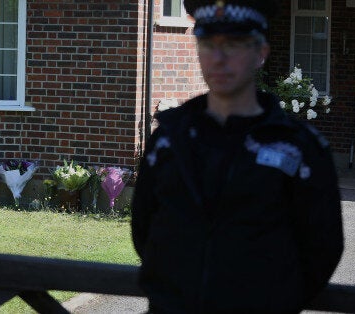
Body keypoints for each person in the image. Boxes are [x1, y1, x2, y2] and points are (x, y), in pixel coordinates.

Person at [131, 0, 344, 313]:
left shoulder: (299, 149)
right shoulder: (169, 140)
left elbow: (321, 249)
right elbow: (144, 232)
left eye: (233, 44)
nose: (218, 59)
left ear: (261, 53)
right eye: (207, 44)